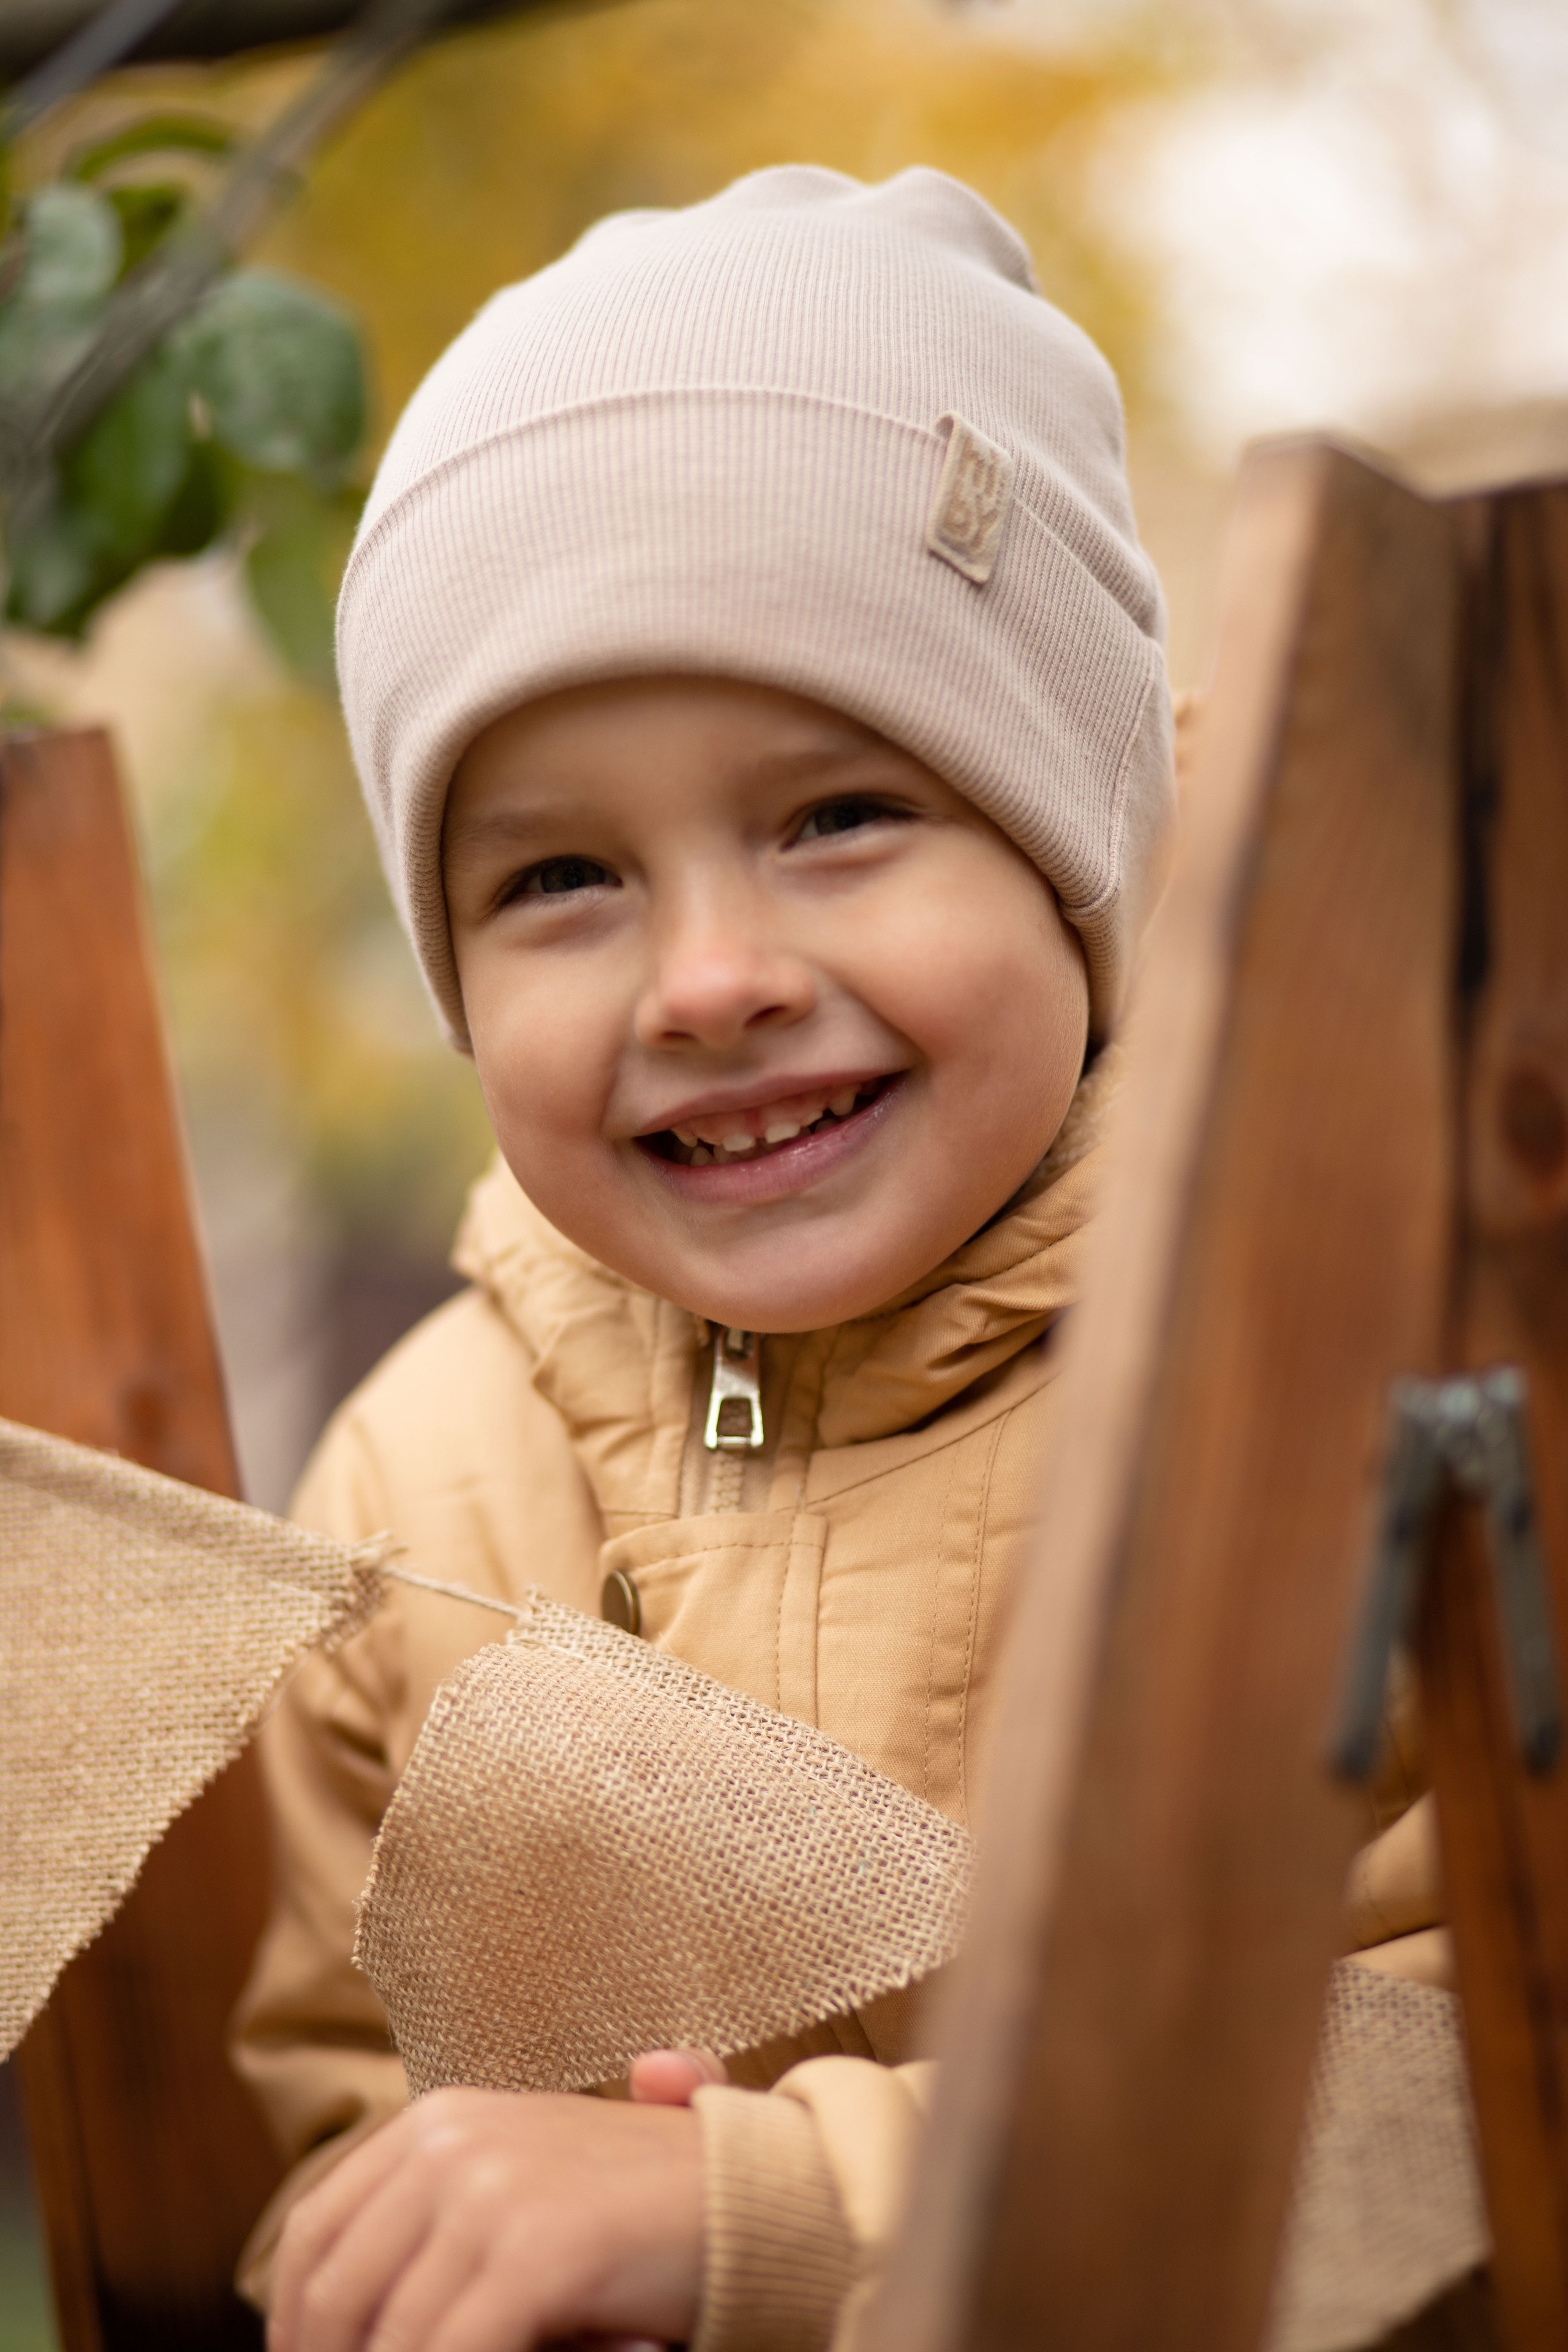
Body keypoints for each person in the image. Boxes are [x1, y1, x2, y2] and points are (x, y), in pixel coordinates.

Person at [232, 166, 1442, 2352]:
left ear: (1087, 849)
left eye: (838, 817)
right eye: (563, 877)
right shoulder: (419, 1488)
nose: (708, 977)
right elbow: (335, 2124)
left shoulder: (1365, 1369)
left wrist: (774, 2207)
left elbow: (1465, 2095)